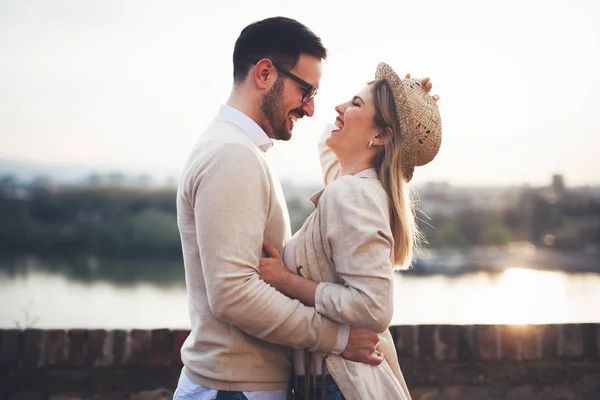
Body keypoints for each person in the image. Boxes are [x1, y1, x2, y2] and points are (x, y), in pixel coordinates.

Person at [174, 17, 388, 400]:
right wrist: (338, 338)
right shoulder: (232, 156)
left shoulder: (240, 149)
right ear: (265, 73)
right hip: (234, 389)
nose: (309, 109)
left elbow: (353, 156)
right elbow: (234, 293)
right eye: (305, 90)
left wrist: (405, 110)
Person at [258, 62, 442, 399]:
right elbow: (329, 140)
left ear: (382, 136)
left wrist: (286, 282)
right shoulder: (352, 185)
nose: (339, 108)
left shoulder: (350, 193)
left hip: (337, 386)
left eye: (355, 104)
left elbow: (373, 308)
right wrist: (403, 100)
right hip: (335, 384)